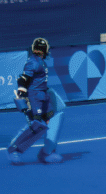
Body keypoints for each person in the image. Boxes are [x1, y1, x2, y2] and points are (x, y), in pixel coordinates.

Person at [10, 36, 65, 165]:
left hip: (43, 97)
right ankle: (14, 150)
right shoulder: (33, 62)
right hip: (35, 98)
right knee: (36, 126)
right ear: (43, 50)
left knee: (53, 120)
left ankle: (47, 152)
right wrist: (22, 92)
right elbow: (24, 78)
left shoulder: (40, 61)